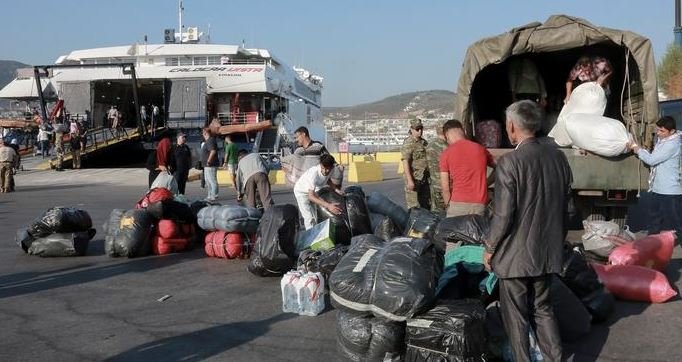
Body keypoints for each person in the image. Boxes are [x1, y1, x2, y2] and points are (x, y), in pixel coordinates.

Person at [484, 100, 572, 362]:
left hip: (515, 257)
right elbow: (568, 209)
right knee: (544, 310)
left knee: (516, 318)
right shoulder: (559, 158)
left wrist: (489, 248)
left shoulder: (510, 163)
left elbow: (503, 215)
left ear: (511, 126)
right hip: (547, 253)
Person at [629, 116, 682, 236]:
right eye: (657, 130)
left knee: (677, 224)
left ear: (672, 131)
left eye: (662, 131)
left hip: (670, 192)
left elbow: (652, 160)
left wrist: (637, 149)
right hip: (658, 189)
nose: (658, 133)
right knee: (654, 222)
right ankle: (652, 248)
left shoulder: (672, 145)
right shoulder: (664, 141)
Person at [439, 119, 495, 217]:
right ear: (463, 131)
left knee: (454, 232)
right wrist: (486, 183)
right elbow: (500, 167)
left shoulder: (446, 154)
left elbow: (445, 188)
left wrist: (448, 206)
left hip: (457, 205)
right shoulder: (480, 149)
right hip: (479, 204)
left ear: (447, 135)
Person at [294, 154, 342, 229]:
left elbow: (327, 179)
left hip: (313, 190)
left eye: (328, 169)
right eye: (323, 168)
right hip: (301, 191)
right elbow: (311, 197)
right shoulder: (314, 173)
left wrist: (336, 189)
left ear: (332, 167)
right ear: (320, 165)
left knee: (315, 216)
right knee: (309, 218)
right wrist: (328, 205)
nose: (325, 171)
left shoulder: (331, 169)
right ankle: (311, 239)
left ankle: (317, 234)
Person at [401, 118, 430, 209]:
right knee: (414, 207)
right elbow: (405, 161)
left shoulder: (424, 142)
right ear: (412, 130)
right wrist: (410, 180)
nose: (420, 131)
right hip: (414, 178)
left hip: (424, 178)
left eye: (421, 128)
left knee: (426, 205)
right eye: (417, 129)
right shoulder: (408, 143)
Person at [426, 120, 448, 215]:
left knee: (435, 211)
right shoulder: (447, 146)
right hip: (445, 184)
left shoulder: (429, 145)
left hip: (434, 183)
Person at [201, 127, 220, 201]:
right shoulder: (208, 141)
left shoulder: (210, 141)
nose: (202, 134)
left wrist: (208, 161)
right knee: (208, 180)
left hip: (210, 165)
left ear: (205, 133)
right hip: (207, 165)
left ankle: (214, 195)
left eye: (203, 132)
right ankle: (210, 195)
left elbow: (213, 151)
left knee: (212, 180)